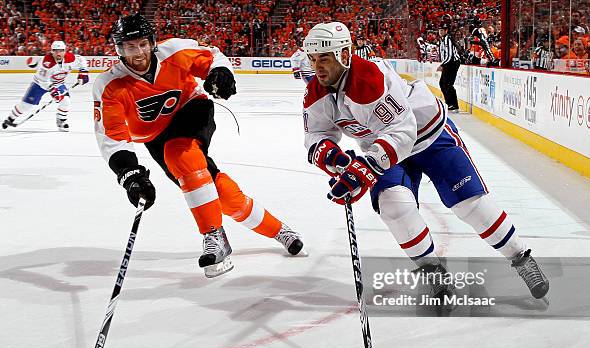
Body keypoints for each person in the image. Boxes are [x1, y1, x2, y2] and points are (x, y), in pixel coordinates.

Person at [301, 22, 549, 303]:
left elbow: (403, 132)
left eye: (325, 58)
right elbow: (316, 135)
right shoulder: (316, 91)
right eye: (312, 59)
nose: (317, 66)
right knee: (393, 207)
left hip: (428, 136)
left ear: (344, 54)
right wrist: (334, 158)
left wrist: (366, 169)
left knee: (470, 205)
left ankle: (520, 256)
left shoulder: (369, 78)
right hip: (383, 150)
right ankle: (434, 275)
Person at [93, 14, 303, 278]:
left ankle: (214, 237)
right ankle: (280, 230)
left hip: (191, 109)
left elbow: (211, 55)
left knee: (180, 155)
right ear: (119, 49)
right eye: (129, 47)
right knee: (221, 195)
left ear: (152, 42)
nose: (138, 53)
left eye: (143, 44)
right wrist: (130, 174)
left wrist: (221, 73)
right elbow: (112, 136)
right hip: (154, 138)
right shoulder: (109, 85)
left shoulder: (175, 52)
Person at [2, 40, 89, 131]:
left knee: (66, 101)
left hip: (58, 83)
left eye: (61, 51)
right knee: (26, 105)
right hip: (39, 84)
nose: (58, 53)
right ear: (52, 51)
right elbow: (42, 80)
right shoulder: (47, 63)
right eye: (55, 51)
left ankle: (61, 121)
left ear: (65, 51)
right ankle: (10, 118)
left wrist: (84, 72)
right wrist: (53, 92)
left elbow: (81, 59)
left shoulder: (70, 58)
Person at [437, 22, 461, 111]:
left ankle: (453, 104)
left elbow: (450, 55)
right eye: (439, 30)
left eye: (442, 30)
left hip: (452, 63)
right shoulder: (443, 39)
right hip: (448, 63)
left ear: (446, 31)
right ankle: (449, 103)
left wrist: (443, 65)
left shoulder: (448, 39)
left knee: (448, 84)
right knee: (443, 83)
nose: (440, 32)